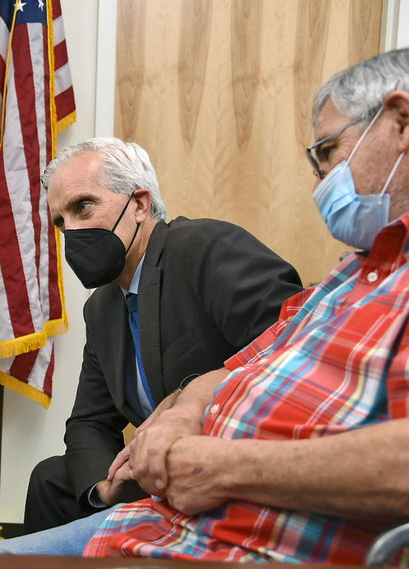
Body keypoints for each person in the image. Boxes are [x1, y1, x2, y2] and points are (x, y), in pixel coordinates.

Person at [0, 47, 409, 567]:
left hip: (244, 535)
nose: (321, 183)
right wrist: (183, 410)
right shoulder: (357, 272)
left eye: (327, 151)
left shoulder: (205, 249)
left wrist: (224, 465)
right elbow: (253, 359)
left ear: (402, 122)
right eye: (60, 222)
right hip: (179, 514)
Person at [22, 137, 302, 534]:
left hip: (228, 466)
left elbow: (294, 348)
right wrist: (105, 489)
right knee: (51, 479)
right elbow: (89, 421)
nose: (72, 230)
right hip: (157, 474)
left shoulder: (204, 248)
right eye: (60, 222)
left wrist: (190, 399)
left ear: (139, 205)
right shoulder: (101, 308)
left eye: (83, 206)